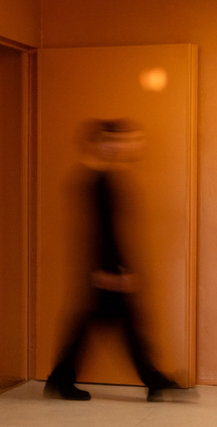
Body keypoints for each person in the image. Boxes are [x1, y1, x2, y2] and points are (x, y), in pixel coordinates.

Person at [43, 119, 181, 402]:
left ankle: (63, 378)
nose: (129, 146)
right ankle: (153, 381)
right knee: (118, 323)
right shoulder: (97, 181)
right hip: (106, 269)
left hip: (105, 267)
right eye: (121, 140)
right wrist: (110, 269)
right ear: (102, 144)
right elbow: (101, 230)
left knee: (114, 322)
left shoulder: (105, 178)